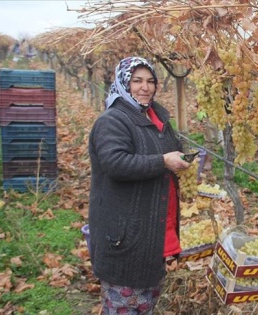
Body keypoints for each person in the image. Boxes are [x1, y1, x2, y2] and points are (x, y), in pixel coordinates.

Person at [88, 56, 191, 314]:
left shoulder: (155, 117)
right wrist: (163, 162)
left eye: (150, 81)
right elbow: (115, 163)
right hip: (124, 235)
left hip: (151, 230)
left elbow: (168, 149)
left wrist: (183, 157)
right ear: (124, 83)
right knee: (124, 301)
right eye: (137, 81)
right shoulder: (112, 120)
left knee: (146, 300)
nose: (145, 87)